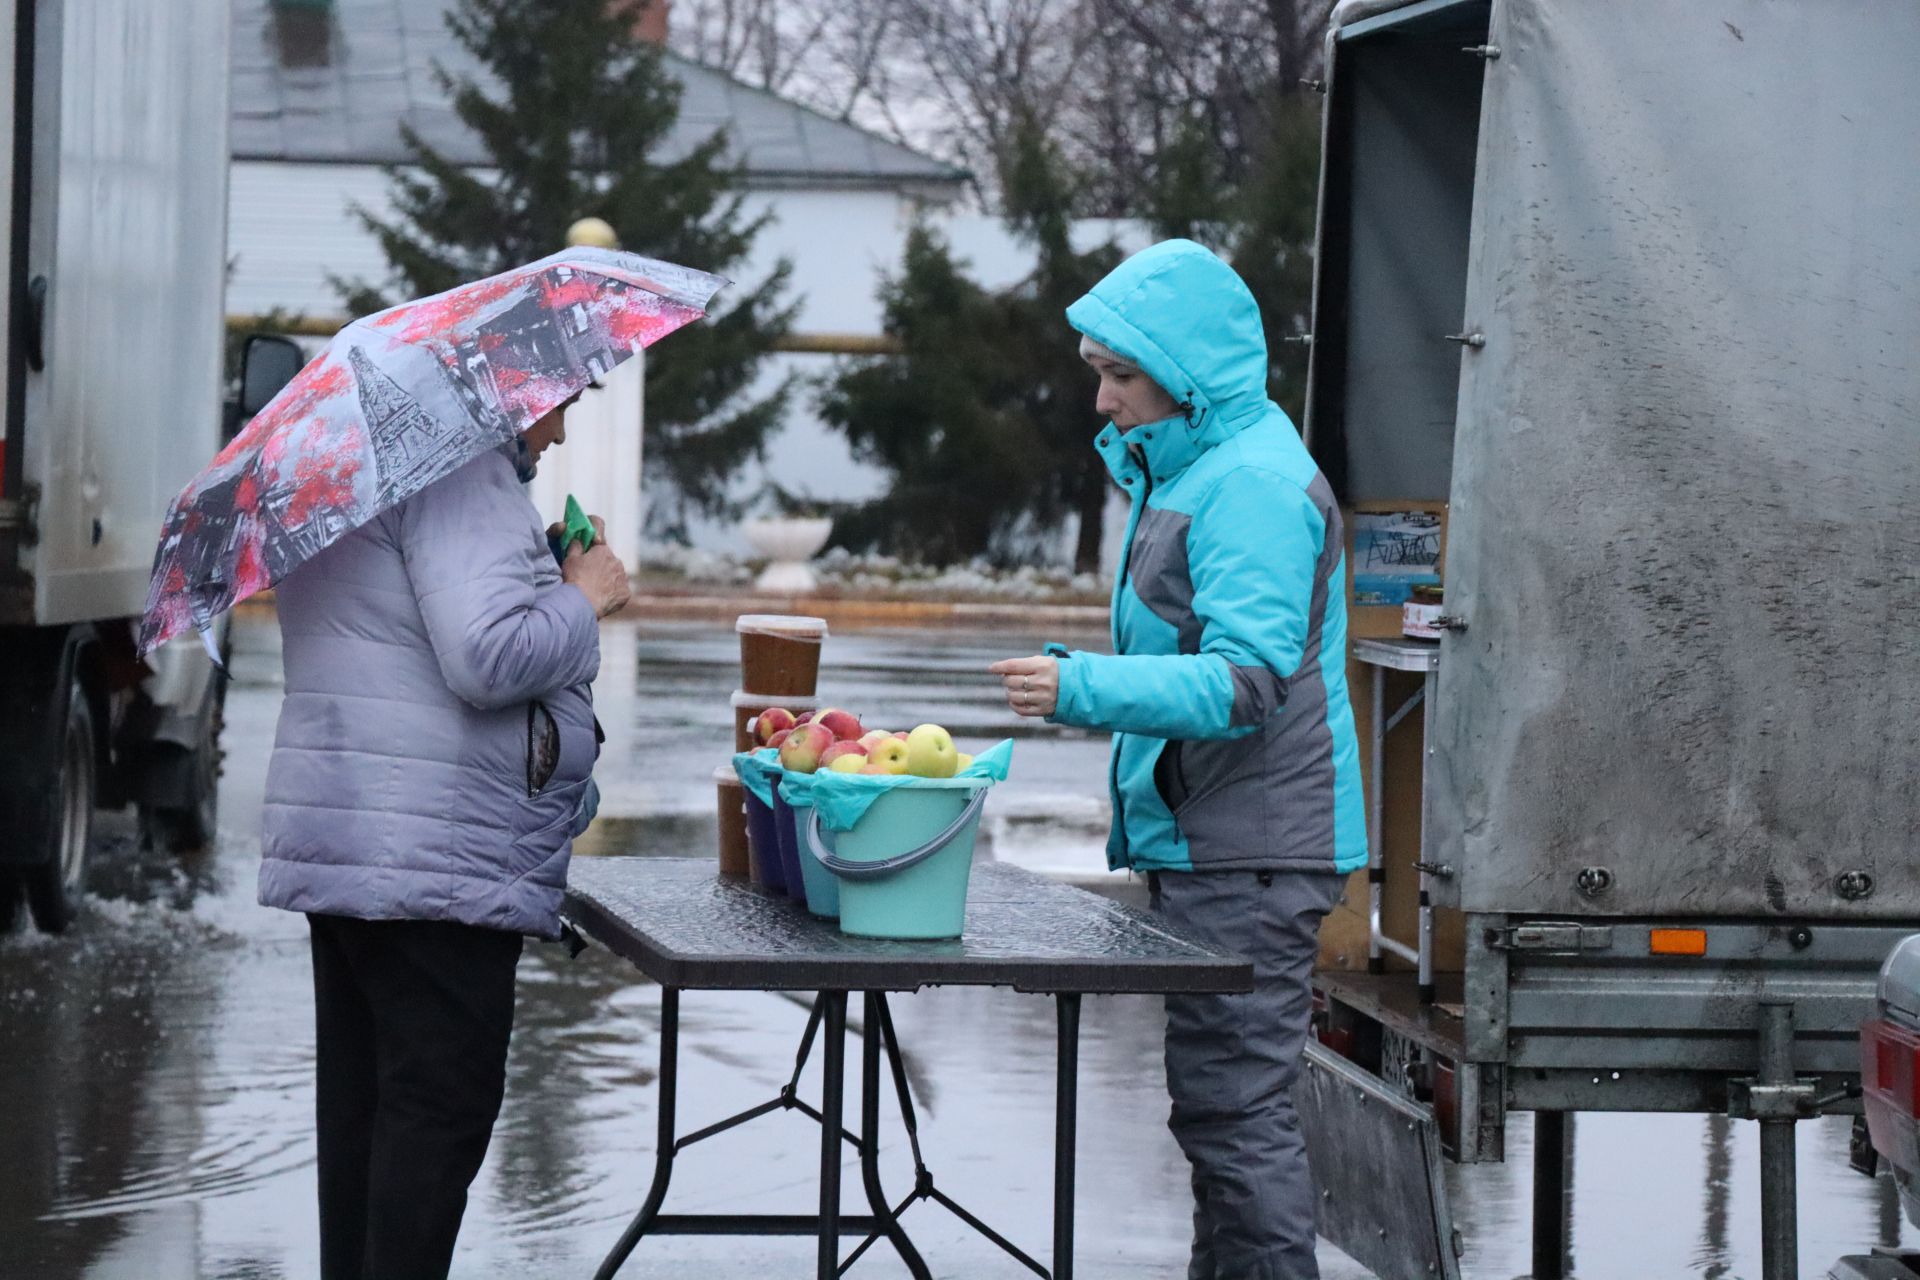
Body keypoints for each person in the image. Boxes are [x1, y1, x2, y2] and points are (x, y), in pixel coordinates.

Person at [990, 239, 1365, 1280]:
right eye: (1098, 373)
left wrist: (1082, 686)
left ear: (1186, 375)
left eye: (1121, 375)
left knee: (1237, 1124)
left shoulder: (1248, 483)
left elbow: (1246, 682)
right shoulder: (1200, 467)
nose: (1103, 402)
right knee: (1222, 1121)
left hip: (1252, 850)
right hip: (1227, 845)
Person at [258, 394, 631, 1280]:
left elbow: (402, 622)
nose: (561, 431)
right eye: (559, 407)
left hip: (356, 838)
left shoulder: (359, 464)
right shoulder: (463, 467)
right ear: (518, 393)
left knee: (365, 1119)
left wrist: (539, 575)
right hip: (439, 858)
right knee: (437, 1114)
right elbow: (487, 659)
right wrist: (583, 599)